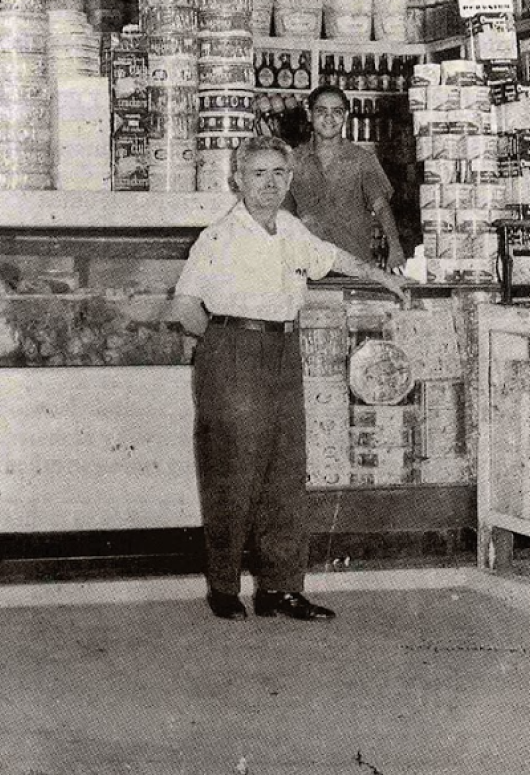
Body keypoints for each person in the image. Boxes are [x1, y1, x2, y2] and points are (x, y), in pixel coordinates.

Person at [170, 135, 405, 622]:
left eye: (279, 173)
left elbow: (333, 258)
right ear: (237, 181)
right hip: (234, 348)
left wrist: (381, 276)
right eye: (259, 174)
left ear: (290, 178)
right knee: (232, 472)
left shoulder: (292, 229)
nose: (270, 184)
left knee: (284, 471)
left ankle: (280, 589)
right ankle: (224, 587)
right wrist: (221, 346)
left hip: (284, 348)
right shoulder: (218, 236)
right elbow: (186, 306)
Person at [286, 84, 406, 268]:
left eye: (337, 111)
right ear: (309, 115)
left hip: (355, 266)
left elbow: (381, 206)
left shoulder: (362, 160)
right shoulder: (294, 160)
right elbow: (284, 214)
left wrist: (395, 247)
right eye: (321, 111)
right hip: (307, 265)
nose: (329, 118)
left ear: (346, 116)